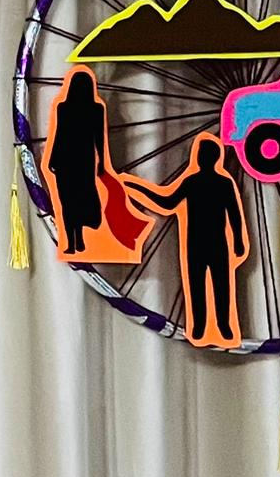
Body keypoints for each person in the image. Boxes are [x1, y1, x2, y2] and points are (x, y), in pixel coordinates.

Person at [125, 134, 251, 349]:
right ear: (217, 158)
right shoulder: (222, 183)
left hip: (197, 242)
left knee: (198, 285)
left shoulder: (194, 182)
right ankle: (221, 327)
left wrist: (136, 188)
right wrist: (238, 242)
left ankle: (203, 327)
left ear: (200, 158)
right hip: (217, 242)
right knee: (220, 286)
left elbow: (166, 202)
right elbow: (235, 216)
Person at [44, 70, 113, 258]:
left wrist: (51, 159)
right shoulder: (96, 109)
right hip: (83, 160)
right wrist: (102, 162)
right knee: (79, 199)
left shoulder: (64, 108)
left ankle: (72, 241)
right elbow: (99, 139)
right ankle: (78, 239)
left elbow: (59, 135)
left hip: (65, 160)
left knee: (67, 202)